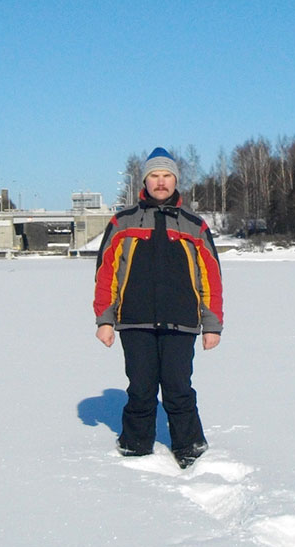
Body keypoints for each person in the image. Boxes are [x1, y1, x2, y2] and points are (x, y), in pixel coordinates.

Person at [93, 147, 224, 469]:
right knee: (141, 387)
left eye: (167, 176)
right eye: (155, 176)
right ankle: (135, 447)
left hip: (182, 322)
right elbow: (106, 273)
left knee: (179, 387)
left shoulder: (194, 226)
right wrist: (105, 320)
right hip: (134, 321)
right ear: (145, 181)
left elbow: (210, 277)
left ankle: (189, 448)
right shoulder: (122, 223)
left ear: (176, 180)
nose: (161, 182)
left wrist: (212, 324)